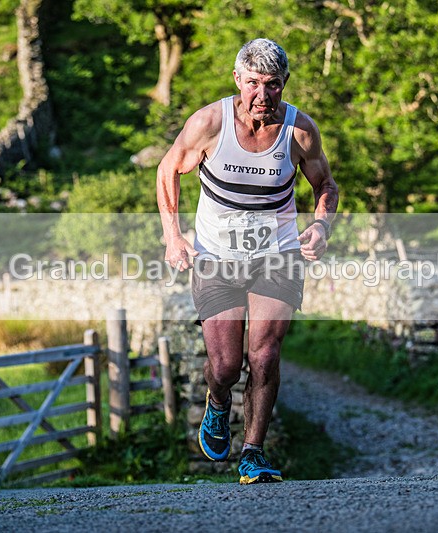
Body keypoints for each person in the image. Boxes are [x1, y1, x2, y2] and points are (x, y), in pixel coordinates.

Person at [157, 38, 338, 484]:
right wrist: (173, 237)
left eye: (272, 85)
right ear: (237, 80)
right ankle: (217, 404)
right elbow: (168, 169)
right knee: (224, 365)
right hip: (216, 256)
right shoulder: (209, 123)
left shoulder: (300, 131)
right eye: (253, 83)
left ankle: (253, 452)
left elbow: (326, 186)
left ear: (284, 85)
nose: (262, 94)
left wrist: (320, 227)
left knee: (265, 355)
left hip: (276, 255)